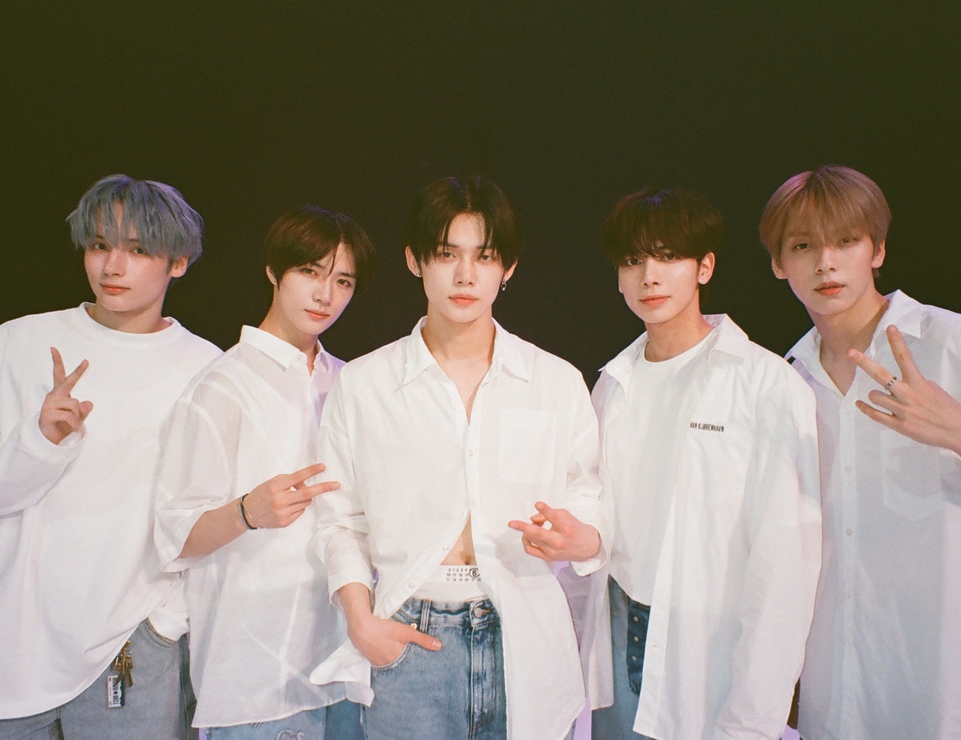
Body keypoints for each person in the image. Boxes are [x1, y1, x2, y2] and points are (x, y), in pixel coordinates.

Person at [0, 174, 221, 738]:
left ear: (178, 262)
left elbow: (211, 517)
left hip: (135, 647)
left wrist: (164, 624)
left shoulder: (208, 371)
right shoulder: (17, 344)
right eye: (100, 245)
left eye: (137, 250)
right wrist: (38, 443)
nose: (113, 266)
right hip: (7, 647)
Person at [308, 175, 605, 740]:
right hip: (411, 635)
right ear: (415, 260)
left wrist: (583, 539)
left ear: (507, 267)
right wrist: (360, 621)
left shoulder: (555, 381)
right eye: (447, 254)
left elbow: (587, 498)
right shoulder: (365, 384)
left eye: (484, 257)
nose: (466, 275)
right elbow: (340, 520)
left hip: (527, 635)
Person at [761, 164, 961, 739]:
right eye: (803, 246)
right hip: (842, 703)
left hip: (960, 699)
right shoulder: (784, 383)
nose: (826, 263)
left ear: (877, 250)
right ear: (779, 263)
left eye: (845, 241)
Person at [578, 187, 821, 739]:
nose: (650, 277)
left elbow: (786, 566)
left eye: (668, 256)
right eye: (633, 261)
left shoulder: (765, 384)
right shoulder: (611, 384)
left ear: (704, 267)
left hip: (707, 653)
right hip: (617, 634)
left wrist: (754, 718)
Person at [153, 204, 376, 739]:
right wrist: (247, 512)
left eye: (343, 281)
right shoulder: (222, 386)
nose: (325, 295)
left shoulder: (350, 382)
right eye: (310, 272)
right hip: (257, 684)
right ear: (274, 270)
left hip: (348, 669)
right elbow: (173, 537)